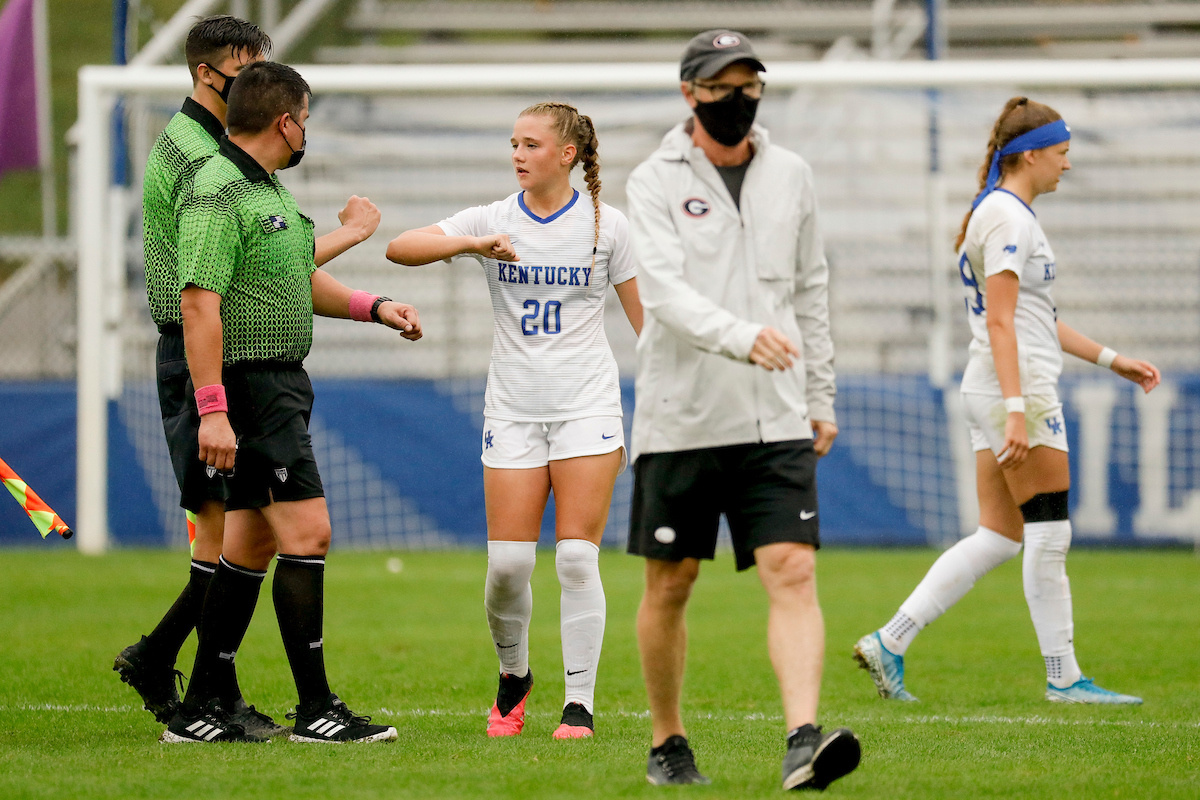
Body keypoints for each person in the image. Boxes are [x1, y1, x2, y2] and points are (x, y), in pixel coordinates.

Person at [854, 97, 1160, 706]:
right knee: (1050, 534)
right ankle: (1064, 677)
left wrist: (1110, 359)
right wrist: (1018, 407)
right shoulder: (1010, 219)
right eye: (1063, 154)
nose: (1066, 166)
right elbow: (1000, 322)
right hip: (1012, 390)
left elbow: (1034, 318)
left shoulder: (1000, 212)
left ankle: (891, 641)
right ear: (1031, 154)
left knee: (999, 535)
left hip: (993, 385)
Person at [624, 30, 860, 790]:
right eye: (722, 88)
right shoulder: (652, 180)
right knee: (672, 581)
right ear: (689, 94)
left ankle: (802, 740)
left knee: (792, 571)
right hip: (682, 416)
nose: (739, 100)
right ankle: (668, 743)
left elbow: (811, 290)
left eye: (749, 85)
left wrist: (819, 393)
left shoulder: (792, 172)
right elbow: (660, 293)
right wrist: (742, 338)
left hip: (778, 416)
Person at [160, 61, 421, 744]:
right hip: (252, 390)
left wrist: (375, 306)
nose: (306, 130)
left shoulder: (261, 186)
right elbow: (197, 303)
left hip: (273, 385)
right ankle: (317, 710)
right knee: (309, 535)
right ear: (286, 121)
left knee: (249, 545)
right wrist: (214, 408)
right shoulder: (216, 191)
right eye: (304, 118)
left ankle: (201, 707)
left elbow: (295, 282)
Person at [386, 102, 642, 740]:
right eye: (513, 143)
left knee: (578, 559)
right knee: (507, 567)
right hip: (514, 410)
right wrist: (470, 245)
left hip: (588, 407)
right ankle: (514, 674)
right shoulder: (493, 218)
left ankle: (578, 703)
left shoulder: (608, 228)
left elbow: (649, 325)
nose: (517, 154)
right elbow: (398, 248)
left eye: (531, 144)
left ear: (568, 155)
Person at [114, 14, 279, 734]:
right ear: (206, 73)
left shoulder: (216, 145)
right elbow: (202, 283)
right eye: (246, 71)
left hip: (218, 352)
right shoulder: (191, 153)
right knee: (224, 538)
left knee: (239, 534)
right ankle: (195, 684)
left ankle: (177, 667)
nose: (257, 84)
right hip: (197, 350)